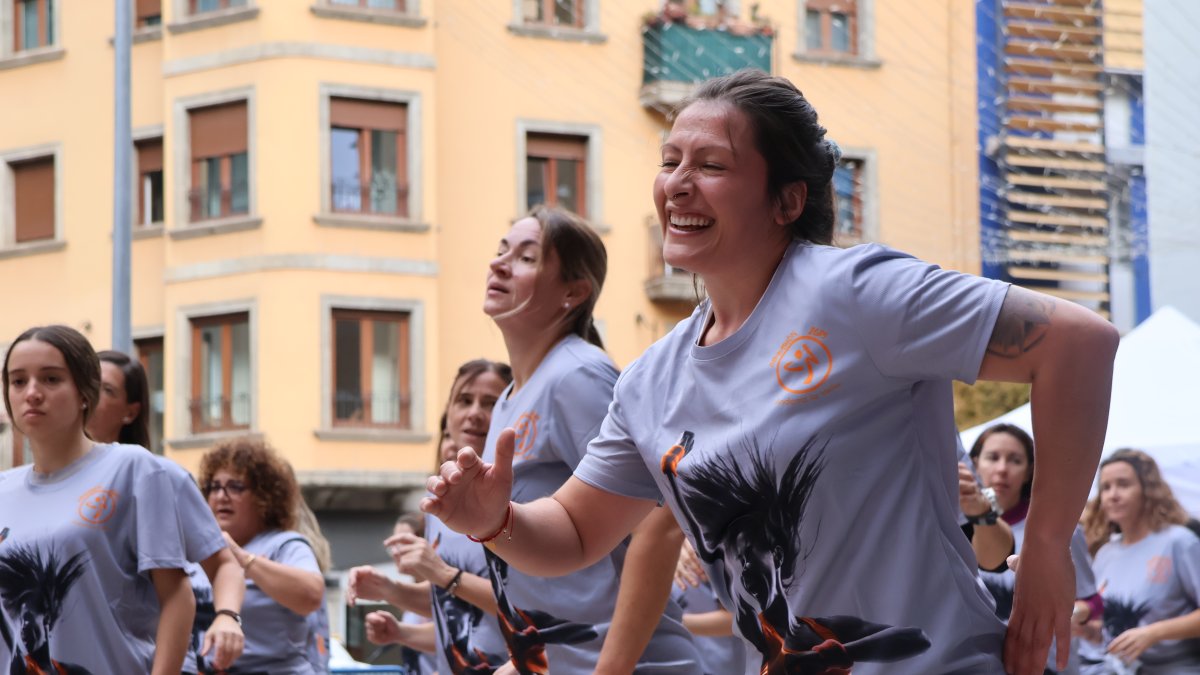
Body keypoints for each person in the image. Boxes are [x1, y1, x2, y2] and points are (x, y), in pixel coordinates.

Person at [422, 69, 1120, 675]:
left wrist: (1047, 551)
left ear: (787, 200)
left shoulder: (853, 290)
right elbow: (573, 532)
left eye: (712, 166)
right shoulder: (650, 380)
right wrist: (497, 520)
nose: (678, 185)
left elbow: (1078, 343)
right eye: (670, 161)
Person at [466, 204, 699, 674]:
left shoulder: (579, 374)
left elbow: (657, 522)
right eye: (500, 251)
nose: (498, 264)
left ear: (573, 292)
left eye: (527, 258)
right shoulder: (511, 397)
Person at [0, 325, 232, 673]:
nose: (32, 392)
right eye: (18, 381)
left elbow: (176, 595)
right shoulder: (4, 488)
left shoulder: (134, 469)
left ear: (84, 393)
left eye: (50, 379)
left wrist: (229, 617)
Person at [85, 349, 246, 674]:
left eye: (107, 390)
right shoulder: (21, 485)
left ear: (130, 412)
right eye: (86, 384)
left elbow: (225, 563)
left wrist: (227, 617)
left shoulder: (157, 475)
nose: (91, 396)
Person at [349, 359, 513, 674]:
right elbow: (455, 604)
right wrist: (390, 591)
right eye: (464, 400)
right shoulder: (438, 502)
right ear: (448, 414)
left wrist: (440, 573)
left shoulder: (520, 491)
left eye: (490, 403)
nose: (475, 413)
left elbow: (532, 606)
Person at [968, 424, 1101, 674]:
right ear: (974, 463)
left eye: (1015, 460)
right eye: (993, 457)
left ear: (1030, 470)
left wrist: (1067, 615)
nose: (1002, 469)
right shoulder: (955, 526)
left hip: (1043, 665)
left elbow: (1092, 601)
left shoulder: (1059, 529)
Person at [199, 438, 326, 674]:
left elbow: (311, 595)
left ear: (265, 497)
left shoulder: (284, 545)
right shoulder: (200, 551)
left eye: (235, 486)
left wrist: (242, 558)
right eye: (214, 486)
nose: (221, 496)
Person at [1077, 449, 1200, 673]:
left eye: (1123, 484)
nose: (1113, 494)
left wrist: (1155, 633)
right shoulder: (1105, 553)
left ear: (1148, 490)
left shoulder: (1179, 542)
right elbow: (1112, 627)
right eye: (1106, 487)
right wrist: (1087, 630)